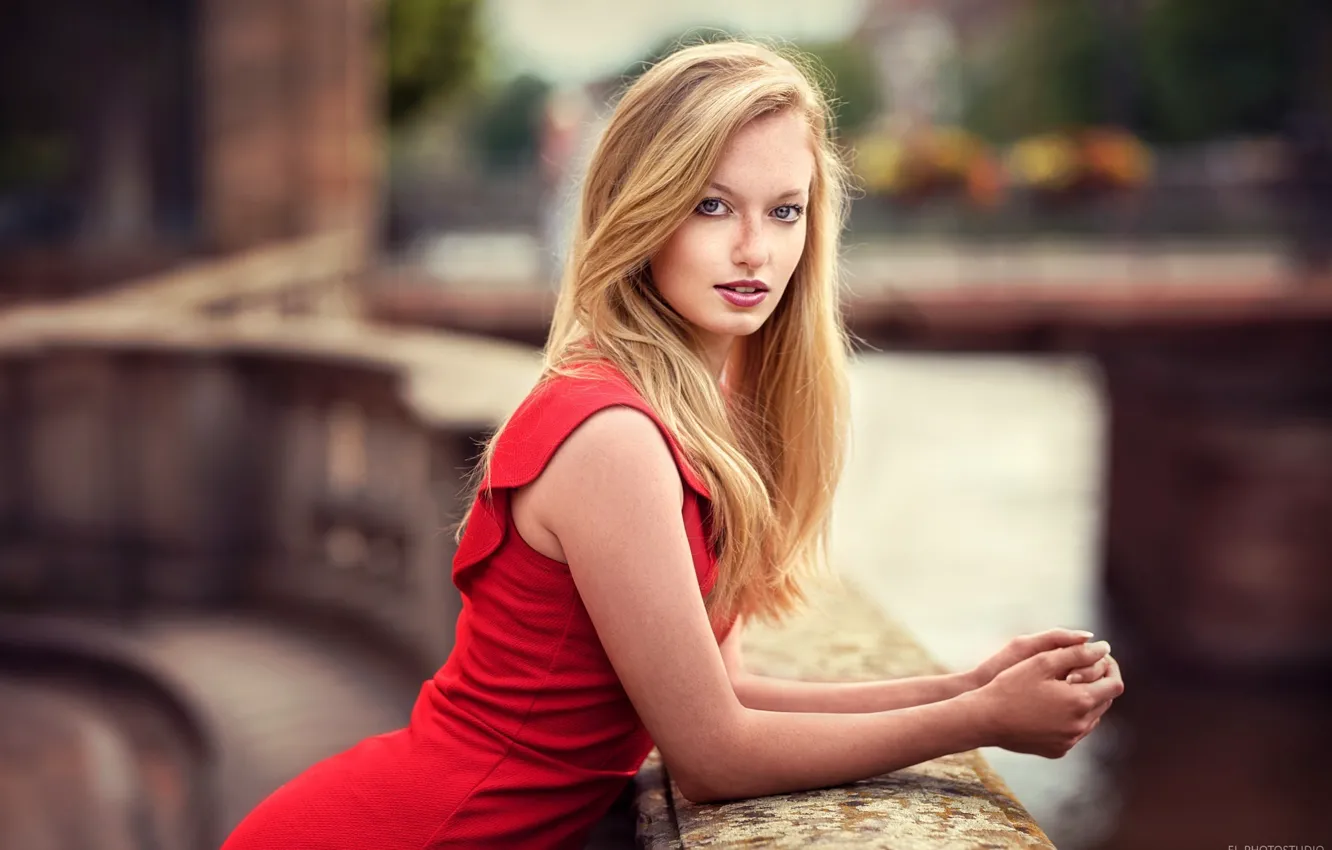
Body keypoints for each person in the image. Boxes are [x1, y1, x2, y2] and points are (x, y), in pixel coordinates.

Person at [223, 39, 1124, 850]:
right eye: (711, 204)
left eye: (784, 212)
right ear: (641, 210)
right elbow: (714, 755)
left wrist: (964, 685)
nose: (752, 250)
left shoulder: (687, 412)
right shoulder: (611, 435)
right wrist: (979, 722)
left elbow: (729, 690)